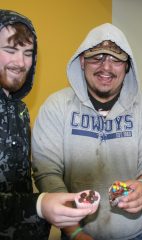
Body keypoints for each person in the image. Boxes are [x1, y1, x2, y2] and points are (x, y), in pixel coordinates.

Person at [31, 23, 142, 240]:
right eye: (97, 57)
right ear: (82, 61)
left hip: (136, 234)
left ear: (127, 66)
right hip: (75, 232)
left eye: (116, 59)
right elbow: (47, 172)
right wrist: (74, 231)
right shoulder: (56, 106)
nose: (106, 67)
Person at [0, 9, 94, 239]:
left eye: (28, 53)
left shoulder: (20, 111)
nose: (20, 62)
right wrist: (40, 205)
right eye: (10, 50)